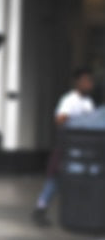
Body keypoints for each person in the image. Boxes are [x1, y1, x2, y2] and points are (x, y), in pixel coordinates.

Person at [32, 67, 96, 226]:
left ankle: (84, 212)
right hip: (67, 146)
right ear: (78, 82)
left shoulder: (89, 102)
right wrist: (77, 124)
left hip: (85, 148)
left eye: (90, 81)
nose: (89, 84)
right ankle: (40, 208)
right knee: (55, 179)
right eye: (86, 80)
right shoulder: (70, 100)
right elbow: (60, 120)